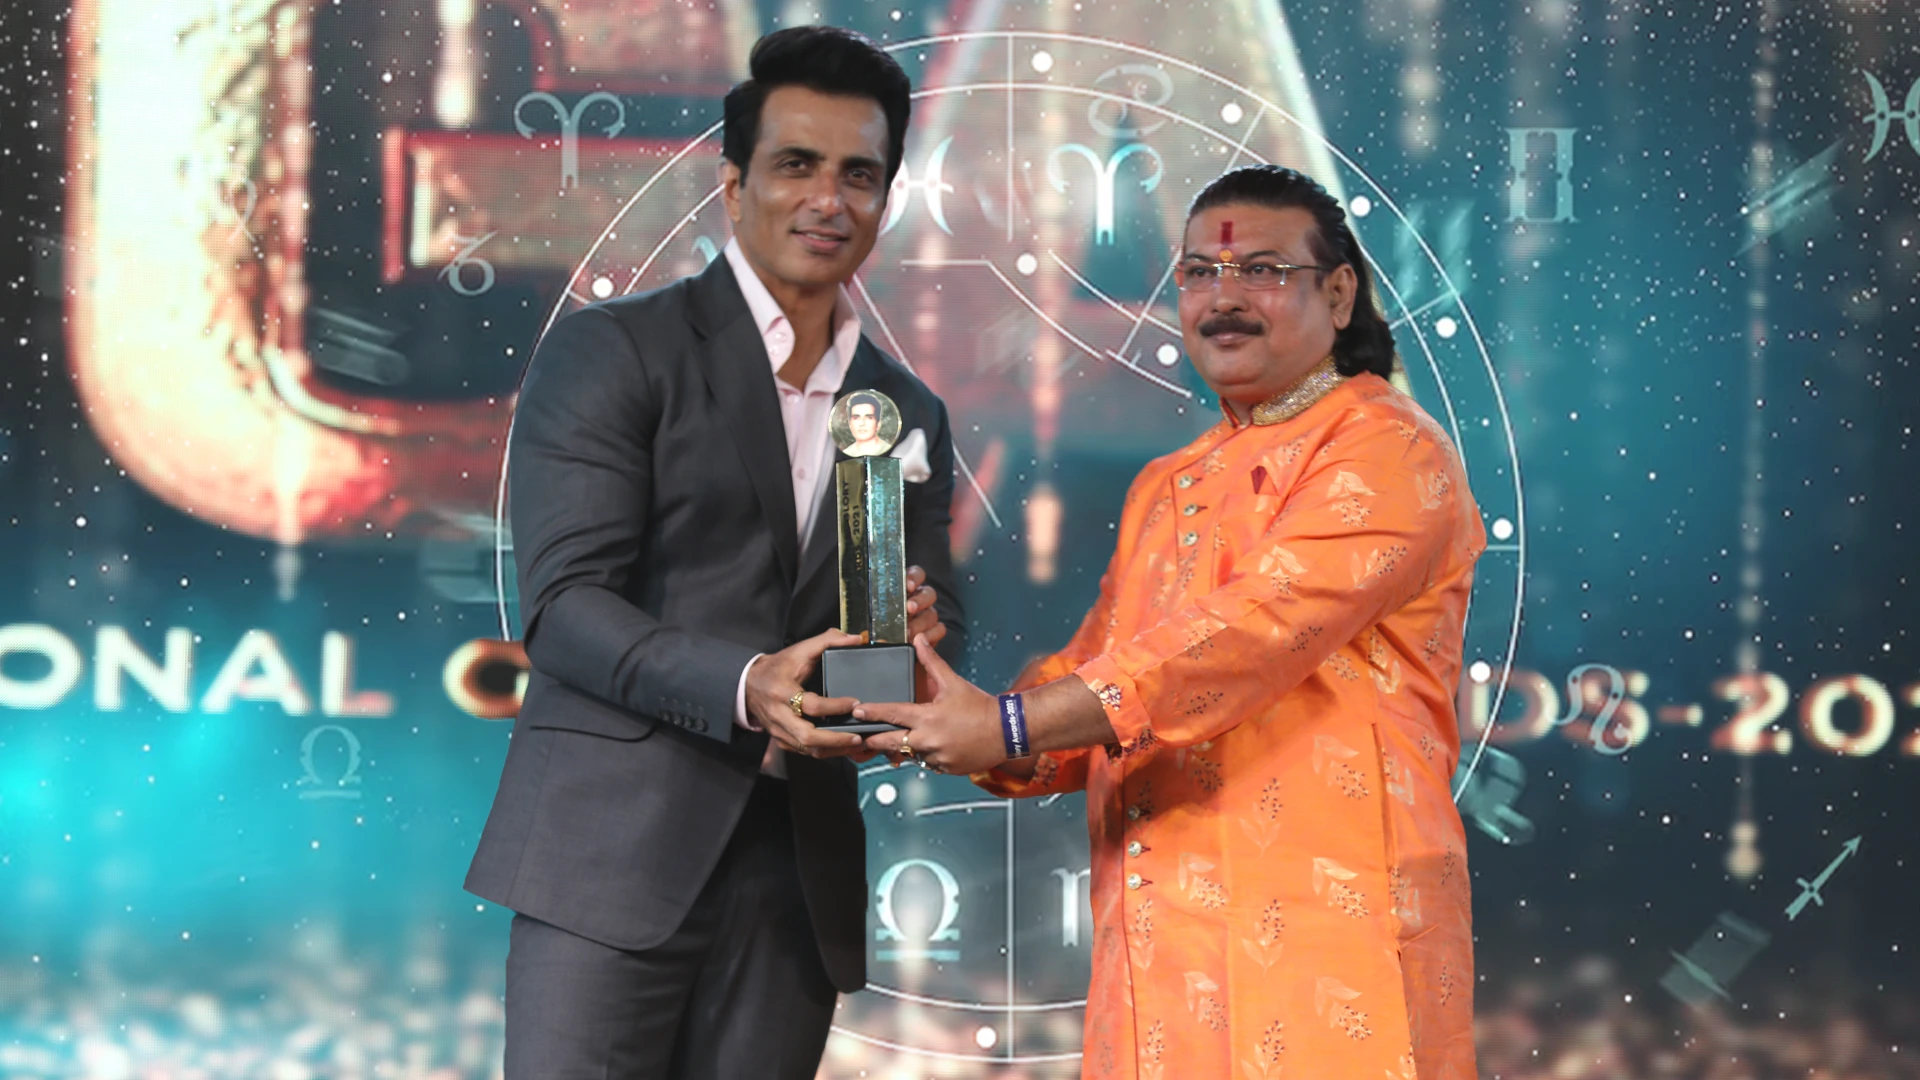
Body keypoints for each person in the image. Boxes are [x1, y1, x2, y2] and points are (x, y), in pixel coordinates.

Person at [855, 165, 1484, 1080]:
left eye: (1262, 270)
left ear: (1340, 292)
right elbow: (1090, 688)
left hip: (1329, 946)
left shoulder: (1389, 446)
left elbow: (1247, 637)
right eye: (1198, 273)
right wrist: (929, 696)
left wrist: (1007, 725)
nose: (1223, 298)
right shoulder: (1169, 484)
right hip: (1160, 961)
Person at [464, 26, 965, 1080]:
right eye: (797, 165)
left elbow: (924, 625)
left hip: (796, 878)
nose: (828, 199)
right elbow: (565, 607)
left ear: (887, 199)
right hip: (609, 856)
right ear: (734, 185)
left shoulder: (905, 407)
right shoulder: (615, 350)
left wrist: (916, 650)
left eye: (859, 175)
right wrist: (747, 686)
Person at [843, 391, 892, 456]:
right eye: (856, 418)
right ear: (850, 423)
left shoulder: (889, 450)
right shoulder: (847, 451)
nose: (862, 423)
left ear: (878, 423)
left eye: (869, 418)